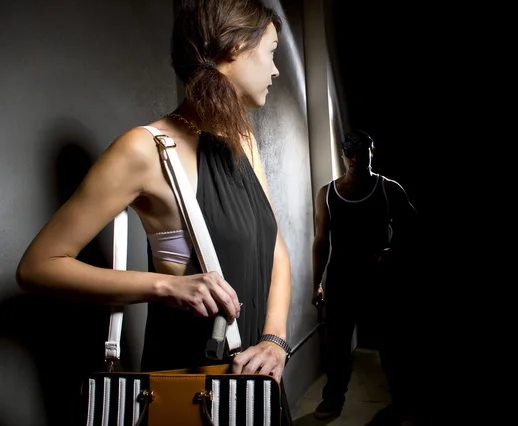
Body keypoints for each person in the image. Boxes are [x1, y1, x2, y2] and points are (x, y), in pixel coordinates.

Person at [16, 0, 293, 424]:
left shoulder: (243, 140)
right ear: (237, 46)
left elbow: (275, 250)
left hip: (258, 382)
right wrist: (167, 287)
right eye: (272, 52)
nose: (276, 70)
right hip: (188, 388)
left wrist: (275, 340)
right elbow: (38, 267)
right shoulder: (144, 149)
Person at [311, 129, 419, 424]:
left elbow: (411, 228)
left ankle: (402, 401)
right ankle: (333, 399)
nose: (355, 158)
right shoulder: (328, 193)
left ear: (372, 152)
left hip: (379, 281)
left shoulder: (387, 188)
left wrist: (393, 252)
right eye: (349, 152)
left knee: (391, 344)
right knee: (337, 345)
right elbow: (321, 241)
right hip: (341, 281)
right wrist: (316, 283)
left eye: (362, 151)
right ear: (343, 154)